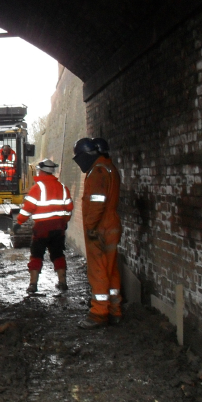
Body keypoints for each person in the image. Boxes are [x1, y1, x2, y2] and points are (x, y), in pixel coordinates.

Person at [72, 137, 122, 329]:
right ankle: (115, 309)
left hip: (100, 227)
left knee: (98, 270)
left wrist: (91, 226)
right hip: (111, 225)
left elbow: (97, 202)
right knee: (111, 268)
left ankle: (99, 313)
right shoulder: (110, 168)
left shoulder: (98, 172)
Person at [13, 159, 74, 293]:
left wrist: (19, 222)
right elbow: (69, 207)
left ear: (41, 171)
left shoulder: (37, 188)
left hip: (41, 229)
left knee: (36, 255)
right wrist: (64, 222)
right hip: (58, 228)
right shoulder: (63, 188)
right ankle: (62, 282)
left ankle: (33, 285)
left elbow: (27, 208)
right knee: (58, 254)